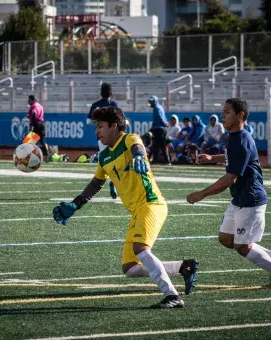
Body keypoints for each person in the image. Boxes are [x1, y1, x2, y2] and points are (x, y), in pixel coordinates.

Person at [53, 106, 198, 309]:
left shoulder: (129, 139)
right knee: (130, 268)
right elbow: (96, 183)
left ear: (114, 126)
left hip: (151, 204)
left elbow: (138, 148)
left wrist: (139, 157)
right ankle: (184, 267)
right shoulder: (104, 156)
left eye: (101, 126)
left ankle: (172, 295)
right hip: (137, 211)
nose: (97, 131)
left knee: (140, 249)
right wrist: (76, 204)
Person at [187, 98, 271, 282]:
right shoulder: (235, 137)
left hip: (250, 201)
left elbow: (228, 179)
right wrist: (212, 158)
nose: (222, 116)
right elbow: (230, 157)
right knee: (226, 239)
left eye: (227, 112)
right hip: (239, 199)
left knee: (242, 247)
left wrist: (201, 194)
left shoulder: (241, 140)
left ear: (240, 115)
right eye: (222, 112)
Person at [88, 83, 119, 199]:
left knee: (106, 160)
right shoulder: (114, 104)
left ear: (101, 93)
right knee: (117, 159)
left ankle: (111, 180)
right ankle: (113, 181)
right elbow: (119, 120)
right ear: (111, 92)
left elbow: (88, 122)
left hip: (101, 138)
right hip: (114, 137)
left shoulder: (96, 105)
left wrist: (99, 124)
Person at [148, 96, 170, 164]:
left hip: (159, 129)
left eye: (152, 102)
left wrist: (165, 123)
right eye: (150, 102)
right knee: (156, 145)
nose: (151, 103)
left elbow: (160, 118)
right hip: (158, 128)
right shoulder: (159, 107)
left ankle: (167, 161)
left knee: (160, 146)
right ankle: (156, 160)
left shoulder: (157, 108)